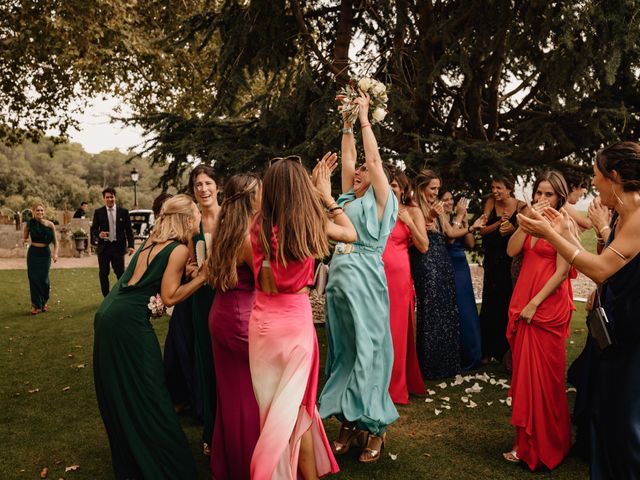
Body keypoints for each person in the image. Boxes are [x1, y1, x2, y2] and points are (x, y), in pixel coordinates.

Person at [517, 142, 640, 479]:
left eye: (597, 176)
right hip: (616, 329)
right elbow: (599, 261)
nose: (594, 184)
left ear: (614, 176)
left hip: (633, 335)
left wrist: (550, 235)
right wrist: (566, 232)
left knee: (626, 424)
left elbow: (600, 269)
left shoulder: (639, 216)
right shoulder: (625, 214)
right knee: (606, 415)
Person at [249, 155, 353, 479]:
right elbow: (350, 234)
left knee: (274, 414)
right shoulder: (311, 224)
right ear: (300, 190)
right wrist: (324, 195)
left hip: (263, 328)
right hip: (295, 325)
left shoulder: (257, 225)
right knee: (297, 411)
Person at [93, 194, 206, 479]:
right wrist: (204, 276)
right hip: (128, 323)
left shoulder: (151, 242)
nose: (199, 218)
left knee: (123, 390)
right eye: (195, 213)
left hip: (109, 314)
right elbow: (169, 297)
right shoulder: (178, 249)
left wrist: (189, 272)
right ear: (187, 219)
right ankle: (165, 464)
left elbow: (152, 278)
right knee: (151, 390)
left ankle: (133, 454)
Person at [319, 91, 399, 464]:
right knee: (344, 352)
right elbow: (350, 156)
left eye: (368, 170)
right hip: (339, 282)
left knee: (369, 351)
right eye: (360, 171)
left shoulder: (383, 200)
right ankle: (348, 419)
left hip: (366, 278)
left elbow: (370, 158)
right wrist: (347, 120)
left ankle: (375, 429)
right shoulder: (349, 195)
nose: (362, 171)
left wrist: (365, 118)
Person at [503, 171, 576, 470]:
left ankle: (549, 442)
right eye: (539, 193)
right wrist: (527, 220)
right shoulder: (533, 220)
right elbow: (512, 250)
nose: (542, 199)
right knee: (524, 375)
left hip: (546, 303)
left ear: (560, 197)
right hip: (524, 297)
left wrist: (535, 303)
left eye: (549, 194)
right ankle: (524, 440)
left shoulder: (564, 224)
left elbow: (562, 271)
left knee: (547, 378)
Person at [206, 173, 261, 480]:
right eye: (260, 192)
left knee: (230, 396)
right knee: (247, 400)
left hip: (222, 315)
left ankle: (226, 464)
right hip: (242, 320)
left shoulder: (225, 229)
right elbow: (265, 283)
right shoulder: (248, 237)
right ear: (250, 199)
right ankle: (247, 466)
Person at [410, 172, 473, 379]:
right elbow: (412, 240)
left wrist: (466, 222)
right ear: (421, 188)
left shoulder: (437, 207)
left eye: (438, 189)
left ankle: (447, 364)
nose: (436, 193)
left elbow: (449, 234)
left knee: (447, 310)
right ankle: (429, 366)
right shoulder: (413, 206)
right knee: (430, 311)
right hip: (425, 261)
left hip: (443, 260)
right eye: (432, 189)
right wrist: (428, 219)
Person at [383, 166, 428, 404]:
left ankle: (395, 388)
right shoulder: (377, 209)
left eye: (394, 185)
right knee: (378, 330)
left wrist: (408, 221)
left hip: (399, 277)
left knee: (396, 331)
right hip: (374, 275)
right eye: (386, 184)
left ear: (403, 189)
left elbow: (423, 246)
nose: (390, 188)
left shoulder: (412, 210)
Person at [478, 176, 526, 367]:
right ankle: (487, 350)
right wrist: (498, 224)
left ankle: (506, 351)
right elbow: (482, 231)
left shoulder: (521, 206)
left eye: (499, 188)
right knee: (490, 302)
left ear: (509, 189)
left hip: (509, 260)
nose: (495, 191)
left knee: (507, 302)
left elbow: (524, 232)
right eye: (493, 187)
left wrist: (513, 228)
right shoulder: (490, 202)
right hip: (492, 259)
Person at [188, 165, 220, 455]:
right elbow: (188, 260)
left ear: (217, 187)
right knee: (207, 364)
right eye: (198, 185)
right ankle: (211, 430)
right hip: (201, 298)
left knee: (227, 365)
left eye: (207, 183)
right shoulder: (193, 226)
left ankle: (232, 427)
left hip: (226, 294)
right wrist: (191, 268)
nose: (203, 189)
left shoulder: (230, 219)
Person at [440, 191, 487, 370]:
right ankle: (454, 353)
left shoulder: (457, 217)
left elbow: (470, 244)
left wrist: (468, 224)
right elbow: (450, 239)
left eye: (451, 199)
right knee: (453, 309)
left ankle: (473, 352)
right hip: (448, 264)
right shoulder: (441, 218)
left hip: (461, 265)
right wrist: (459, 217)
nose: (450, 202)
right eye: (445, 200)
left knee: (467, 308)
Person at [91, 187, 135, 297]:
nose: (110, 199)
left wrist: (131, 245)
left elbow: (129, 230)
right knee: (103, 273)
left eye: (112, 197)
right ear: (104, 199)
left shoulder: (123, 212)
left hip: (118, 248)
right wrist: (99, 234)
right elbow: (94, 229)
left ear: (115, 197)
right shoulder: (98, 212)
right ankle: (106, 296)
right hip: (104, 248)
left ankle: (122, 295)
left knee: (120, 273)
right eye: (107, 197)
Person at [23, 203, 58, 315]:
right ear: (33, 211)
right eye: (37, 210)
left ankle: (44, 302)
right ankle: (35, 305)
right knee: (33, 278)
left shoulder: (50, 224)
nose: (40, 212)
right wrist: (25, 240)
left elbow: (56, 242)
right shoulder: (30, 223)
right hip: (33, 253)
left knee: (44, 279)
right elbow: (25, 235)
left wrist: (55, 254)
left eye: (42, 210)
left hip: (45, 254)